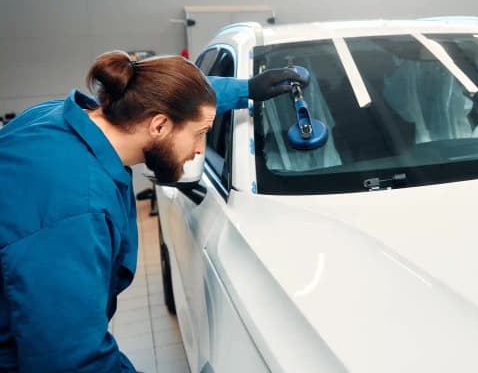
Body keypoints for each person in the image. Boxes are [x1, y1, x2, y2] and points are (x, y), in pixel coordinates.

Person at [0, 51, 306, 372]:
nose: (198, 148)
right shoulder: (77, 210)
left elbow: (169, 98)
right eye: (200, 132)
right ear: (159, 126)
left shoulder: (55, 117)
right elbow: (71, 362)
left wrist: (246, 89)